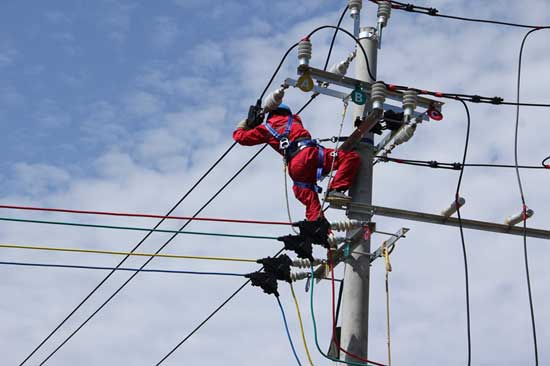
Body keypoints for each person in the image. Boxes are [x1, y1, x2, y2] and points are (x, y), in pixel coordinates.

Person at [233, 103, 360, 221]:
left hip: (295, 167)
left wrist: (246, 124)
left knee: (311, 201)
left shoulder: (265, 129)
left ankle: (320, 231)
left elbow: (241, 138)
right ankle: (335, 190)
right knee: (350, 157)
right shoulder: (295, 119)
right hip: (311, 154)